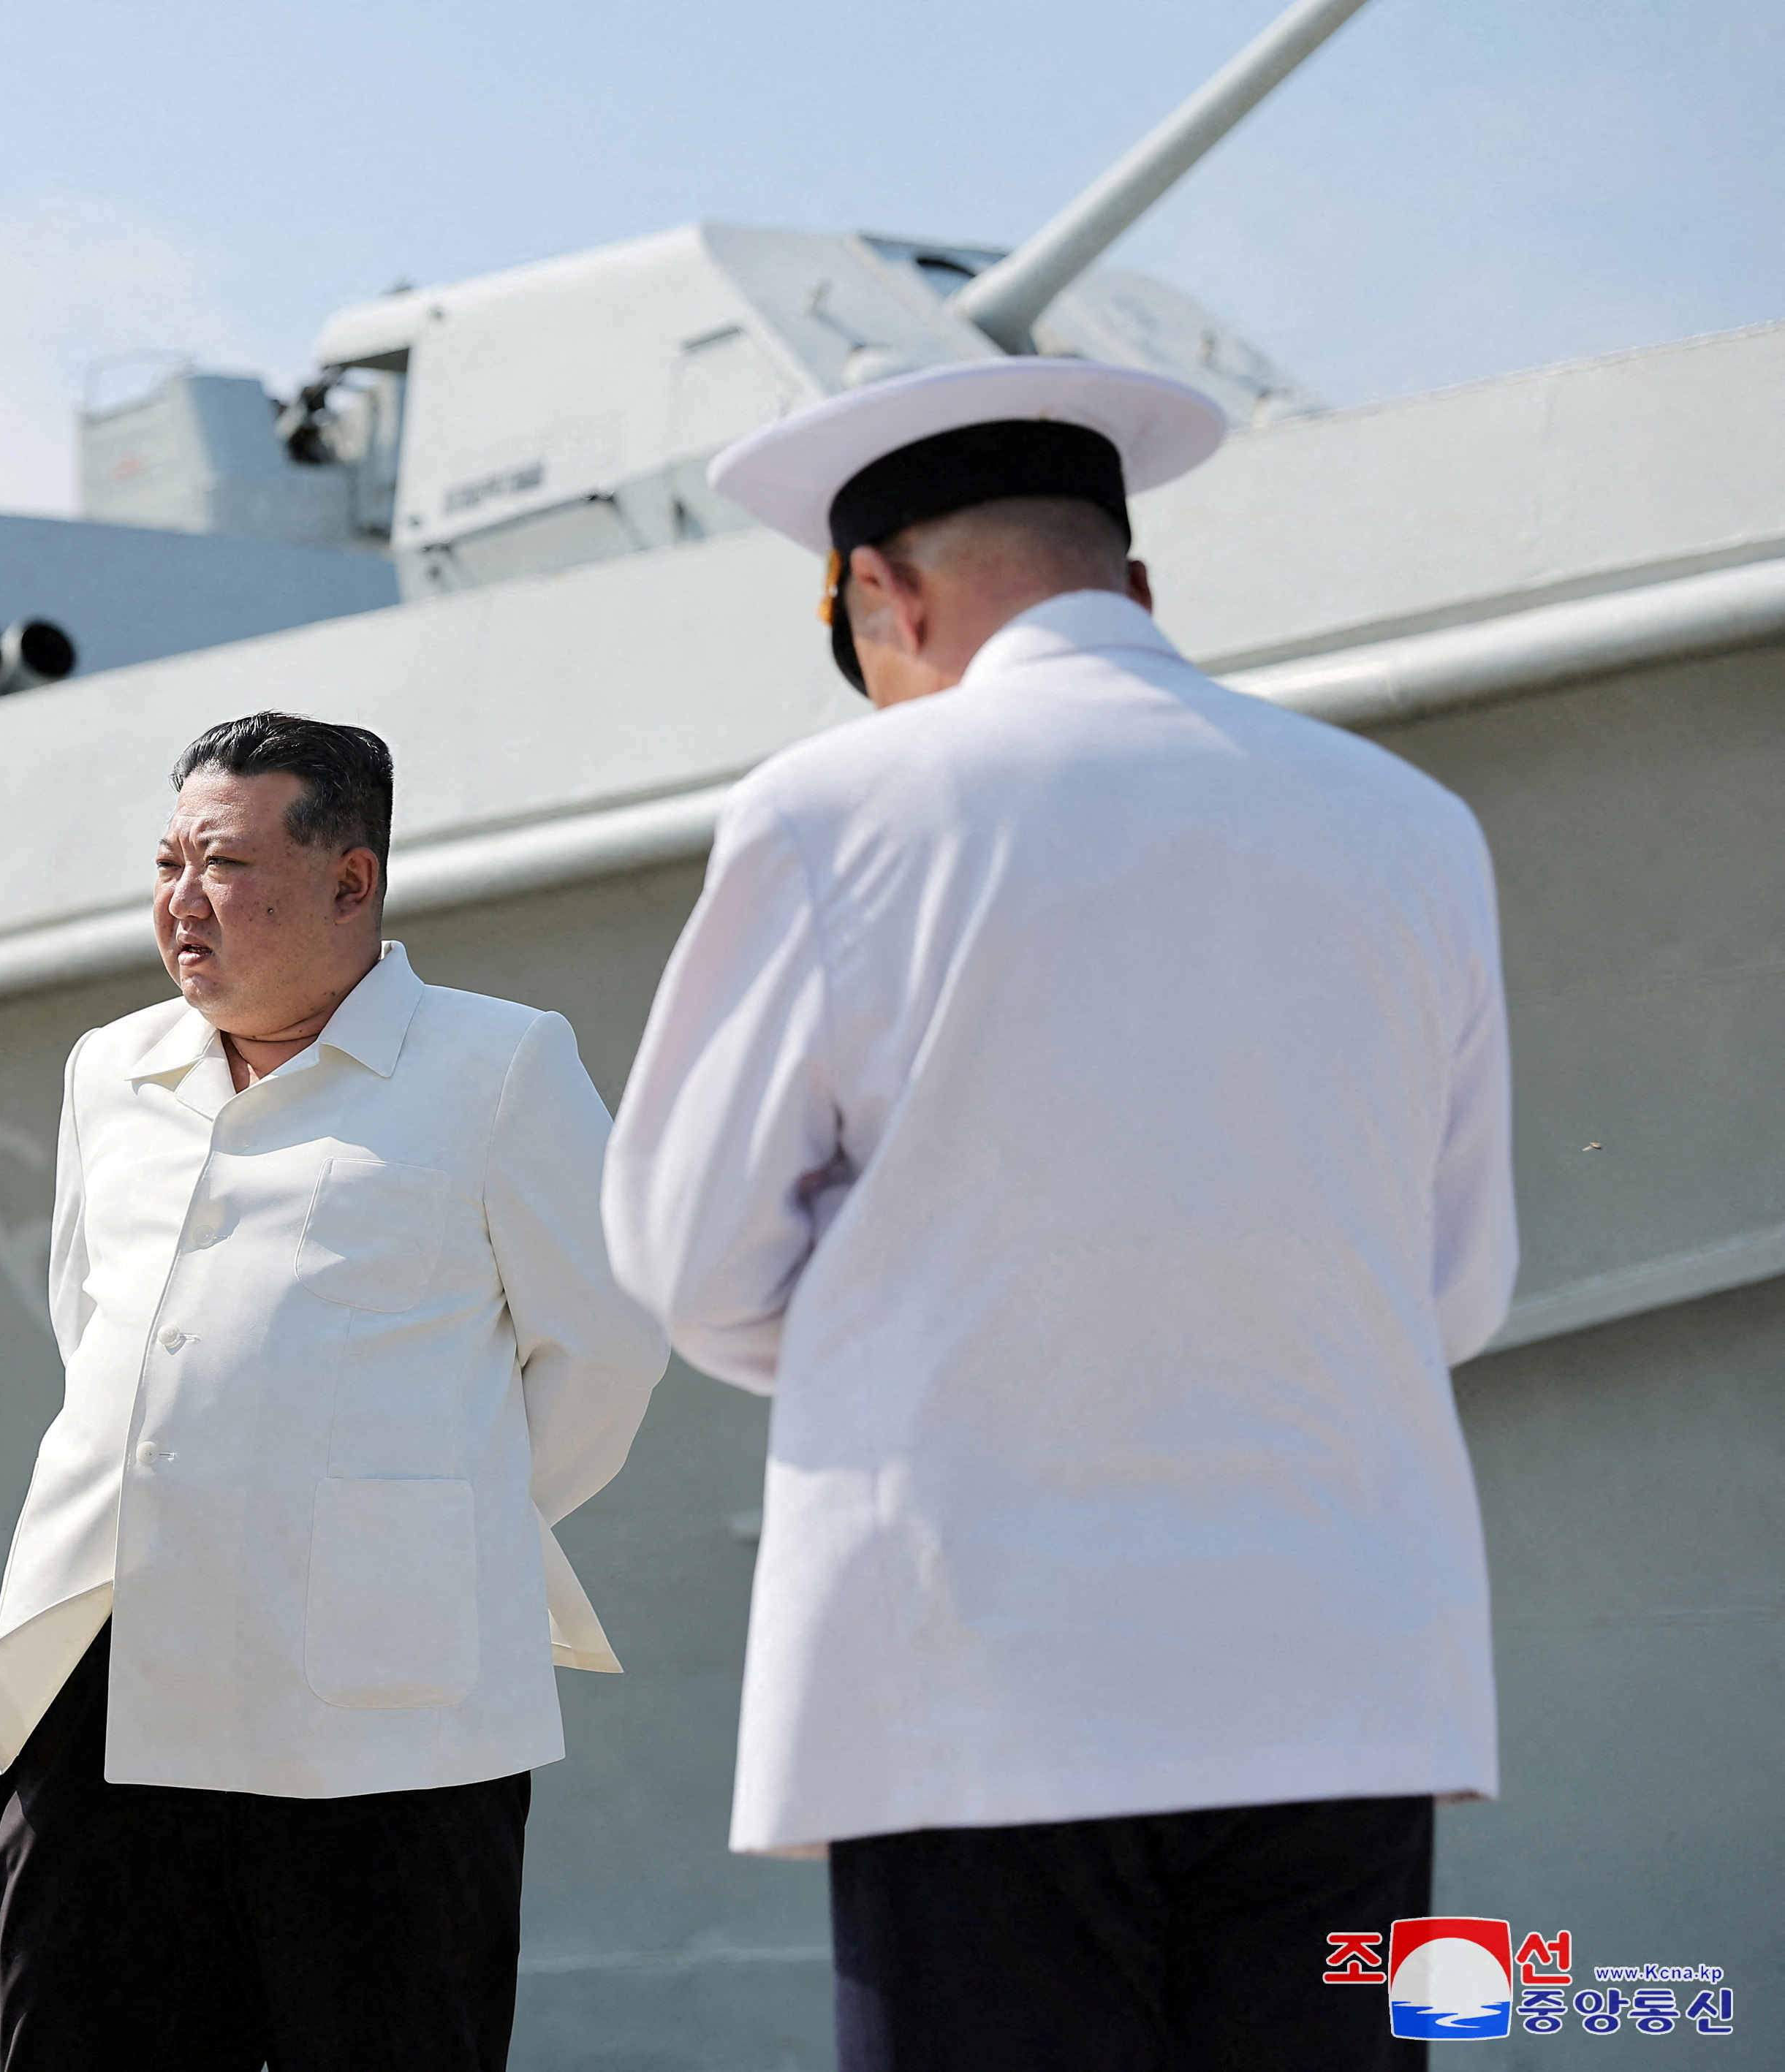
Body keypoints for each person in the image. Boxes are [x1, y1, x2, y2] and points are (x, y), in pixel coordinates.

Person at [600, 357, 1517, 2069]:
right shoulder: (1411, 826)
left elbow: (688, 1259)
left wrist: (929, 1327)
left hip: (972, 1673)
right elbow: (1453, 1286)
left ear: (882, 591)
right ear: (1134, 585)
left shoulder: (830, 812)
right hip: (1341, 1667)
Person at [0, 713, 670, 2071]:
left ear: (352, 881)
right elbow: (89, 1325)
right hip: (101, 1674)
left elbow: (613, 1343)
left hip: (379, 1706)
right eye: (165, 862)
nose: (177, 903)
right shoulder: (110, 1069)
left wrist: (423, 1527)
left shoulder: (498, 1065)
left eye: (218, 864)